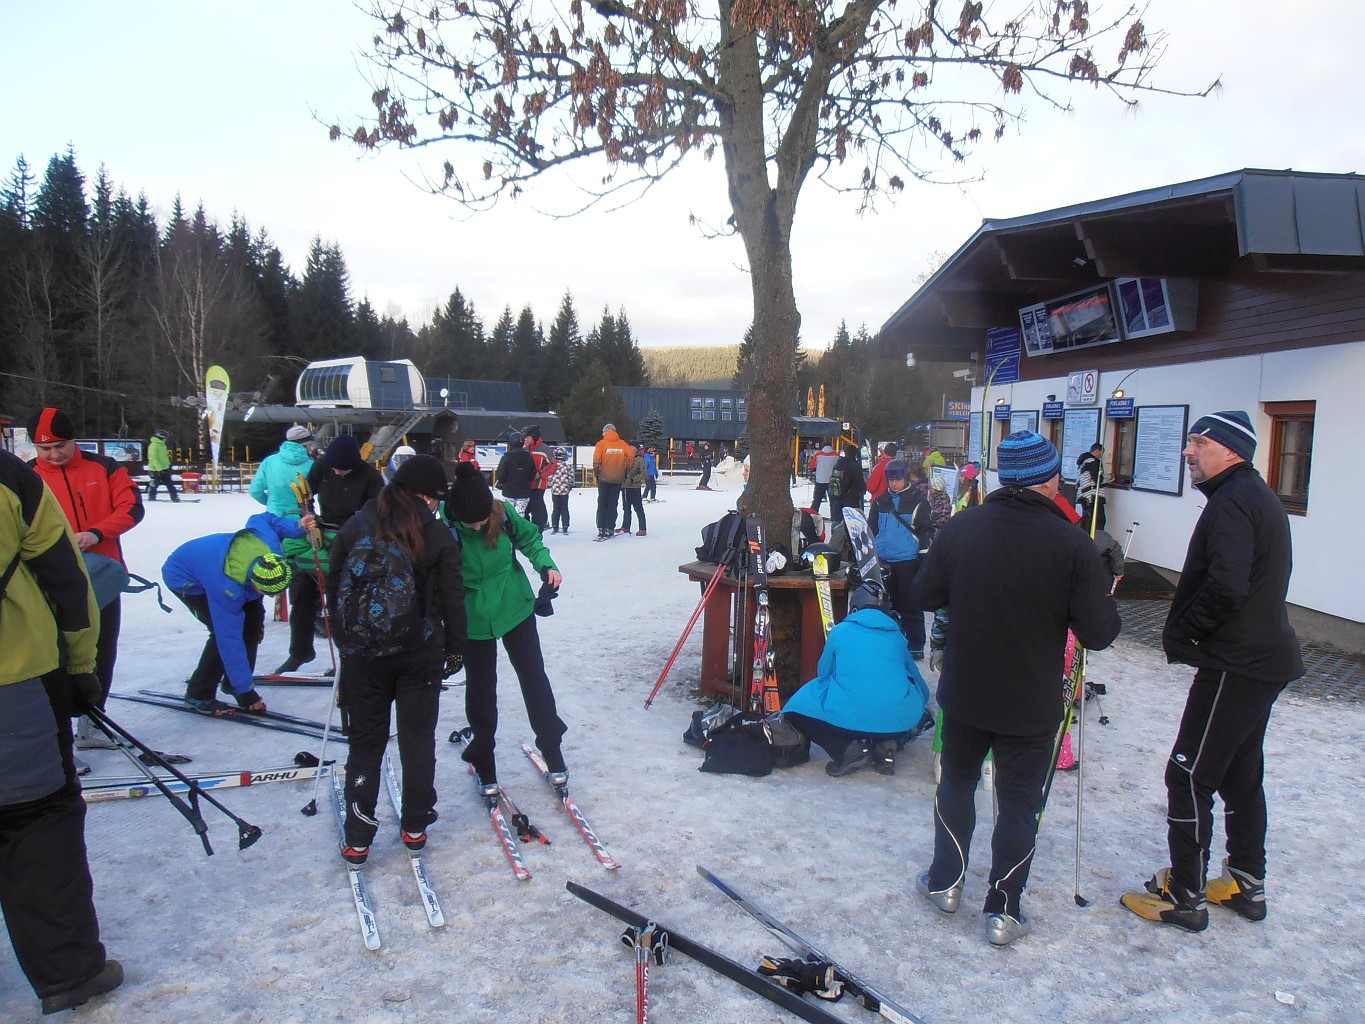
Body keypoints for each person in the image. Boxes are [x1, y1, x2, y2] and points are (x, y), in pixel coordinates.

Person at [909, 430, 1120, 946]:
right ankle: (1003, 911)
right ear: (1048, 481)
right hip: (1029, 698)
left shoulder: (963, 528)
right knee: (1020, 801)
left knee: (957, 783)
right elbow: (1099, 632)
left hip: (967, 689)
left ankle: (946, 884)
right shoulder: (1072, 542)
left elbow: (924, 593)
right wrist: (1100, 594)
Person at [1121, 411, 1303, 932]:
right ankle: (1246, 883)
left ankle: (1186, 895)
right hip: (1259, 660)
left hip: (1236, 663)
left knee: (1188, 773)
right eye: (1190, 442)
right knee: (1240, 773)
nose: (1188, 451)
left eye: (1199, 442)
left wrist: (1188, 632)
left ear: (1231, 450)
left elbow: (1227, 585)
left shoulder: (1234, 500)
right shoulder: (1251, 495)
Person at [1, 449, 124, 1016]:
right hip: (16, 680)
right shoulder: (11, 477)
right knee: (37, 824)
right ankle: (68, 970)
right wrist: (80, 666)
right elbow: (65, 576)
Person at [327, 455, 466, 864]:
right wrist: (455, 647)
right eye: (435, 498)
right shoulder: (436, 534)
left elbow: (335, 587)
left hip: (363, 656)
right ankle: (415, 824)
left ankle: (358, 836)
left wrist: (346, 640)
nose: (436, 506)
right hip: (419, 653)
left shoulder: (357, 525)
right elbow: (452, 597)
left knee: (365, 743)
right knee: (417, 740)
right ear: (423, 495)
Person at [26, 407, 146, 761]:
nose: (53, 454)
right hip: (50, 586)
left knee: (102, 652)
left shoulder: (104, 467)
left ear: (73, 440)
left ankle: (93, 723)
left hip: (103, 577)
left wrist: (96, 533)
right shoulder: (27, 476)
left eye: (60, 446)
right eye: (44, 449)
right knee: (57, 659)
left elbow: (132, 508)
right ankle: (57, 739)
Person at [443, 461, 568, 795]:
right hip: (471, 616)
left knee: (534, 677)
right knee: (481, 690)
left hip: (514, 604)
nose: (478, 525)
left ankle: (553, 751)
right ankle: (484, 761)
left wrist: (546, 565)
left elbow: (530, 539)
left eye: (482, 519)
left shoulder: (503, 512)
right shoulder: (442, 524)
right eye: (470, 522)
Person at [162, 511, 315, 714]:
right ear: (254, 582)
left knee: (253, 621)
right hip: (185, 576)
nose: (270, 597)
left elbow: (261, 519)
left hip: (221, 561)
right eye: (266, 592)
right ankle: (199, 693)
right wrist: (247, 692)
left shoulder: (270, 547)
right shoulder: (227, 590)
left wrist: (297, 527)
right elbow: (229, 639)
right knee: (222, 635)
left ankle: (233, 683)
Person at [783, 584, 932, 778]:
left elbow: (823, 673)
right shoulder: (897, 637)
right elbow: (919, 684)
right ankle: (889, 743)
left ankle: (847, 750)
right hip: (895, 721)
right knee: (904, 709)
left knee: (796, 710)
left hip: (848, 719)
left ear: (854, 608)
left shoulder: (840, 632)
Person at [276, 435, 383, 674]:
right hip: (323, 534)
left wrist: (349, 537)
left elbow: (376, 516)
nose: (336, 472)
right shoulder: (322, 466)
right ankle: (300, 651)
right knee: (302, 590)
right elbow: (306, 496)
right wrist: (308, 515)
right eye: (333, 468)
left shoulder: (371, 477)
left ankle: (348, 657)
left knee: (342, 604)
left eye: (342, 470)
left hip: (354, 540)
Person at [869, 460, 933, 660]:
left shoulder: (918, 501)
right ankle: (889, 641)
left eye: (897, 479)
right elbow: (871, 529)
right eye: (890, 480)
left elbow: (926, 531)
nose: (893, 483)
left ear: (905, 478)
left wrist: (923, 557)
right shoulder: (880, 502)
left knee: (910, 603)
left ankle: (915, 643)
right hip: (884, 559)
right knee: (886, 604)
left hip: (907, 560)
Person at [249, 425, 316, 516]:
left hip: (275, 517)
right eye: (310, 445)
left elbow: (255, 491)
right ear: (304, 444)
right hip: (303, 518)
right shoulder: (312, 465)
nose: (311, 448)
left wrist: (271, 503)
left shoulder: (269, 462)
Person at [593, 423, 633, 540]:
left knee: (602, 502)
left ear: (604, 432)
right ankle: (609, 528)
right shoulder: (622, 444)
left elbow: (596, 460)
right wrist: (626, 470)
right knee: (612, 503)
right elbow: (631, 456)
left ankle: (601, 527)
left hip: (603, 478)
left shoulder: (601, 444)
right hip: (618, 478)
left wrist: (597, 472)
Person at [495, 431, 536, 517]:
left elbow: (501, 476)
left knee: (509, 514)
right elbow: (532, 474)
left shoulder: (506, 457)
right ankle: (519, 525)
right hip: (524, 491)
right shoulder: (529, 457)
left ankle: (510, 525)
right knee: (520, 514)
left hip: (509, 491)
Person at [523, 425, 555, 531]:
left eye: (527, 437)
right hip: (525, 485)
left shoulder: (544, 449)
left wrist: (541, 474)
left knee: (536, 510)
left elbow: (553, 465)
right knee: (524, 510)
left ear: (534, 436)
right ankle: (526, 531)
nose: (525, 439)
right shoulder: (524, 448)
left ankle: (538, 531)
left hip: (538, 486)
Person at [828, 443, 866, 523]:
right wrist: (863, 490)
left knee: (837, 520)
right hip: (851, 498)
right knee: (850, 521)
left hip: (837, 496)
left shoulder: (838, 464)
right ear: (855, 454)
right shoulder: (854, 465)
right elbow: (860, 483)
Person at [1075, 442, 1106, 531]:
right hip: (1093, 496)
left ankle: (1085, 538)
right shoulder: (1094, 462)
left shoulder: (1082, 462)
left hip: (1083, 496)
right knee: (1098, 521)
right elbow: (1098, 480)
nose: (1101, 456)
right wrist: (1109, 477)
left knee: (1087, 521)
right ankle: (1096, 539)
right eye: (1101, 453)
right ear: (1097, 451)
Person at [619, 443, 647, 536]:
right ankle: (626, 526)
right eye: (629, 448)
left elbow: (643, 473)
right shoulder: (624, 458)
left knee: (638, 508)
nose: (630, 449)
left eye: (633, 448)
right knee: (626, 508)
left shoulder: (640, 459)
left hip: (635, 487)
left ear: (637, 450)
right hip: (625, 486)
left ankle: (642, 528)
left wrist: (634, 479)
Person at [145, 427, 179, 502]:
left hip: (165, 468)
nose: (166, 439)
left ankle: (175, 497)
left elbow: (164, 457)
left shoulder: (162, 445)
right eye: (165, 437)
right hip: (155, 469)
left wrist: (168, 465)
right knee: (155, 484)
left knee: (170, 484)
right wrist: (159, 469)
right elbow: (153, 458)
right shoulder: (153, 446)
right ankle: (151, 497)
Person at [548, 448, 575, 534]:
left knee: (556, 508)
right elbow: (571, 478)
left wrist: (552, 484)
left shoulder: (553, 466)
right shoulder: (568, 466)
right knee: (564, 508)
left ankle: (555, 526)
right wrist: (570, 485)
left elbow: (549, 478)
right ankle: (565, 526)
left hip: (555, 490)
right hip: (564, 490)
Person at [810, 444, 837, 512]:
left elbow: (811, 466)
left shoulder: (818, 455)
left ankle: (813, 514)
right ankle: (834, 516)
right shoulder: (836, 455)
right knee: (833, 501)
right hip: (832, 481)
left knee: (816, 501)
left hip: (820, 480)